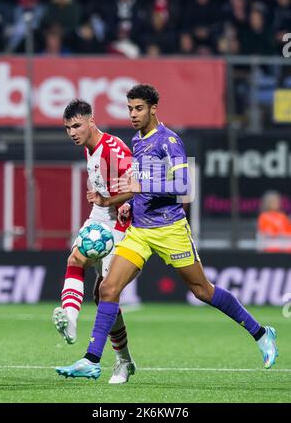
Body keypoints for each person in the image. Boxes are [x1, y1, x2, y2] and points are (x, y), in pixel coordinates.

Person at [55, 84, 278, 381]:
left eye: (138, 108)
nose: (133, 114)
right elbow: (138, 184)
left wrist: (139, 188)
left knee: (203, 291)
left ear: (153, 109)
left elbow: (184, 187)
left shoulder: (169, 141)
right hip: (140, 231)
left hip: (170, 228)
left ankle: (262, 333)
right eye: (130, 108)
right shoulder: (136, 141)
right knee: (108, 289)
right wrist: (118, 201)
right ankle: (92, 359)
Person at [52, 98, 136, 384]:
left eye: (77, 125)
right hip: (100, 215)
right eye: (67, 128)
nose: (72, 132)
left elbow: (135, 188)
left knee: (104, 295)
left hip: (121, 224)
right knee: (74, 259)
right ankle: (71, 321)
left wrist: (122, 205)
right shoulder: (90, 148)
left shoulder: (114, 150)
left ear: (91, 121)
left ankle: (122, 361)